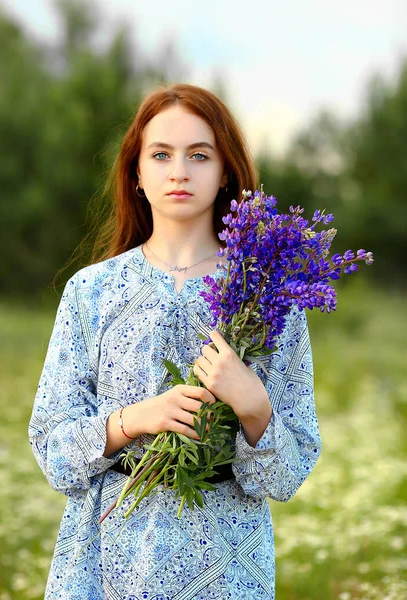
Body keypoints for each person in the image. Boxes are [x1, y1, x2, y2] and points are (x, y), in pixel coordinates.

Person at [28, 82, 322, 600]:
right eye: (160, 154)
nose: (179, 170)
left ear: (225, 169)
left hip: (227, 565)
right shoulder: (91, 292)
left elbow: (287, 475)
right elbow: (51, 446)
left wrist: (255, 407)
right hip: (104, 558)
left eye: (199, 154)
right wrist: (135, 420)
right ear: (137, 173)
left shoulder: (268, 298)